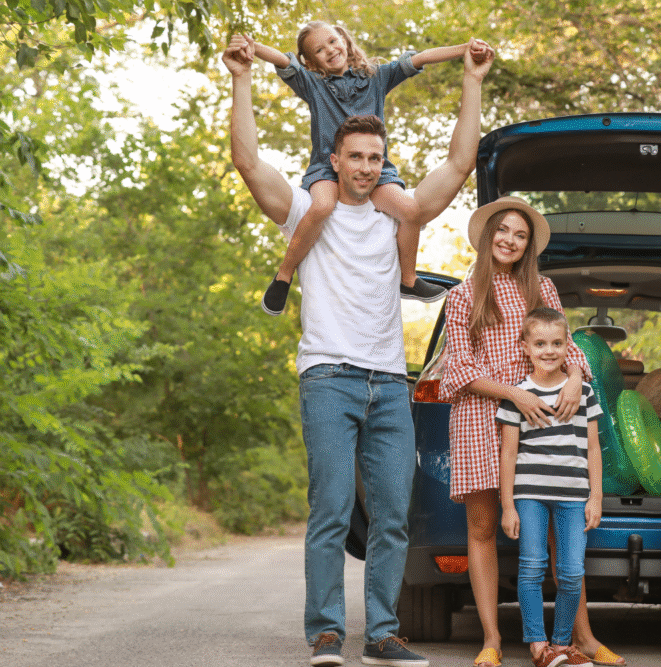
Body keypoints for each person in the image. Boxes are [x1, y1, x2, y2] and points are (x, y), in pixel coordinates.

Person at [222, 33, 494, 667]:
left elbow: (457, 165)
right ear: (334, 159)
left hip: (389, 385)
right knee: (332, 508)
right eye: (356, 157)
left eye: (377, 156)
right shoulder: (303, 213)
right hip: (329, 378)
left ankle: (382, 633)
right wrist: (241, 79)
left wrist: (472, 80)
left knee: (394, 515)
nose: (368, 166)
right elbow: (250, 163)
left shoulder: (398, 214)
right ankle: (324, 633)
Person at [439, 197, 626, 667]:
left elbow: (570, 349)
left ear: (528, 246)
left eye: (520, 235)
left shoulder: (542, 288)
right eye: (502, 231)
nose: (509, 240)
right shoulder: (462, 296)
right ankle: (492, 641)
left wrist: (578, 378)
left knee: (560, 535)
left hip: (543, 420)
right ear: (487, 237)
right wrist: (514, 394)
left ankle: (581, 637)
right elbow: (456, 370)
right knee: (483, 528)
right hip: (481, 418)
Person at [246, 23, 491, 314]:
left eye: (333, 41)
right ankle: (284, 275)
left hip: (376, 170)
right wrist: (253, 47)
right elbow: (284, 61)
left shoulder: (376, 78)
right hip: (327, 167)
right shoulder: (313, 85)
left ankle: (408, 279)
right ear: (310, 62)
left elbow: (420, 58)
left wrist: (464, 49)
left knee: (410, 211)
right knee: (322, 206)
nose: (330, 50)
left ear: (345, 41)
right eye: (319, 50)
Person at [497, 307, 603, 667]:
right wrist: (508, 505)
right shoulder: (517, 396)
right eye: (540, 343)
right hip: (530, 495)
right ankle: (538, 645)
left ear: (566, 346)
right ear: (525, 346)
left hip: (574, 496)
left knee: (572, 571)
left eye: (557, 343)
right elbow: (508, 453)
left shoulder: (583, 393)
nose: (548, 350)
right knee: (531, 567)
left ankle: (561, 644)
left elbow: (592, 448)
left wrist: (596, 497)